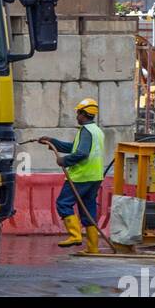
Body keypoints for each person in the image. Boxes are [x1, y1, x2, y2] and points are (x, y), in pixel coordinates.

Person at [39, 97, 105, 253]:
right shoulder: (96, 131)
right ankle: (92, 248)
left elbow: (81, 153)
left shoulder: (86, 131)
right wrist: (53, 142)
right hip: (94, 177)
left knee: (63, 203)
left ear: (84, 113)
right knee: (88, 210)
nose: (77, 116)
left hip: (81, 176)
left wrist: (65, 161)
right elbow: (74, 147)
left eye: (78, 113)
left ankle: (75, 235)